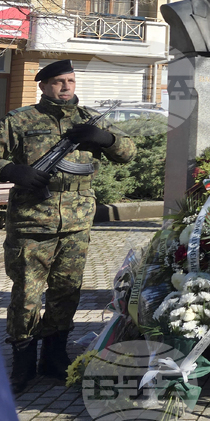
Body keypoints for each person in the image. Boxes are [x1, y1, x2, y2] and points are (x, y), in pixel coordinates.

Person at [0, 60, 136, 393]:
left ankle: (54, 359)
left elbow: (129, 152)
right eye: (59, 82)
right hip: (32, 221)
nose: (66, 87)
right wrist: (12, 171)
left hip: (76, 223)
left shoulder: (88, 120)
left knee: (66, 294)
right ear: (43, 86)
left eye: (71, 81)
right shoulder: (20, 120)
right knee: (27, 297)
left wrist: (104, 138)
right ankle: (22, 366)